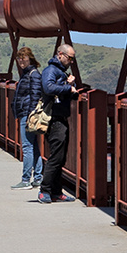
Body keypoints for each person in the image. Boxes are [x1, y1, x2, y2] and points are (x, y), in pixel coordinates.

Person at [38, 43, 80, 204]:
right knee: (56, 156)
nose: (71, 61)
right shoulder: (51, 71)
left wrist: (71, 87)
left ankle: (56, 191)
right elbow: (48, 88)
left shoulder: (60, 72)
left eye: (73, 59)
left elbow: (63, 91)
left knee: (60, 157)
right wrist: (68, 88)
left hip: (60, 117)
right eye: (70, 58)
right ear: (60, 54)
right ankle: (44, 191)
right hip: (54, 118)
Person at [11, 47, 43, 189]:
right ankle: (38, 177)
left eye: (23, 58)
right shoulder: (27, 74)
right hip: (24, 112)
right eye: (19, 58)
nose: (21, 61)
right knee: (34, 146)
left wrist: (30, 115)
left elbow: (35, 96)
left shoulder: (33, 74)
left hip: (27, 114)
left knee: (27, 147)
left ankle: (25, 180)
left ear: (30, 58)